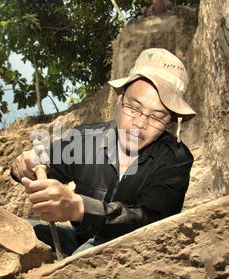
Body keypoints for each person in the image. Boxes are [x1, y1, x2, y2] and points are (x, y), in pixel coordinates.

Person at [10, 48, 196, 257]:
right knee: (16, 231)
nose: (140, 124)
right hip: (77, 240)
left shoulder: (175, 160)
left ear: (170, 121)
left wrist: (79, 208)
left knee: (87, 254)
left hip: (133, 251)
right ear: (119, 99)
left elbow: (151, 222)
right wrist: (24, 168)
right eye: (134, 108)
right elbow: (43, 164)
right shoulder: (84, 139)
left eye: (157, 117)